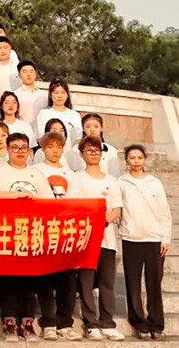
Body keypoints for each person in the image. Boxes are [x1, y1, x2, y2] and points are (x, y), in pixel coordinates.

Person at [0, 133, 55, 341]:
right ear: (7, 149)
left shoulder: (36, 173)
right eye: (15, 147)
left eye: (24, 147)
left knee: (29, 279)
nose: (20, 151)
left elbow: (49, 202)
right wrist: (17, 195)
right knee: (9, 279)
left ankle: (28, 323)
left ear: (30, 151)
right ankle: (9, 323)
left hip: (32, 234)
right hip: (7, 233)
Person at [70, 136, 124, 341]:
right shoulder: (76, 178)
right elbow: (72, 207)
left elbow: (117, 208)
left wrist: (106, 220)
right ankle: (91, 323)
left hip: (107, 239)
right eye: (88, 151)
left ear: (101, 154)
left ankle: (108, 323)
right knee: (86, 282)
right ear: (81, 154)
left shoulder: (111, 181)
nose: (93, 154)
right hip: (85, 239)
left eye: (96, 150)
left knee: (107, 283)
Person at [119, 144, 171, 340]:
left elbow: (164, 212)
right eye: (132, 158)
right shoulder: (121, 182)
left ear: (145, 159)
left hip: (154, 238)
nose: (136, 161)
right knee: (133, 283)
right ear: (126, 160)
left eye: (139, 157)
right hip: (131, 238)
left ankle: (156, 323)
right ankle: (139, 323)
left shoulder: (154, 182)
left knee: (154, 283)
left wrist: (165, 237)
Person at [35, 79, 82, 145]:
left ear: (67, 95)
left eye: (63, 92)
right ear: (50, 95)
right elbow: (40, 137)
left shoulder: (74, 115)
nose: (60, 96)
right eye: (56, 93)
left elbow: (78, 138)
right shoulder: (43, 114)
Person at [13, 60, 47, 127]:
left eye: (31, 71)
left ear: (35, 74)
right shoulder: (15, 95)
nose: (28, 74)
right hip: (22, 129)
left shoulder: (44, 95)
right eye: (25, 72)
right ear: (19, 75)